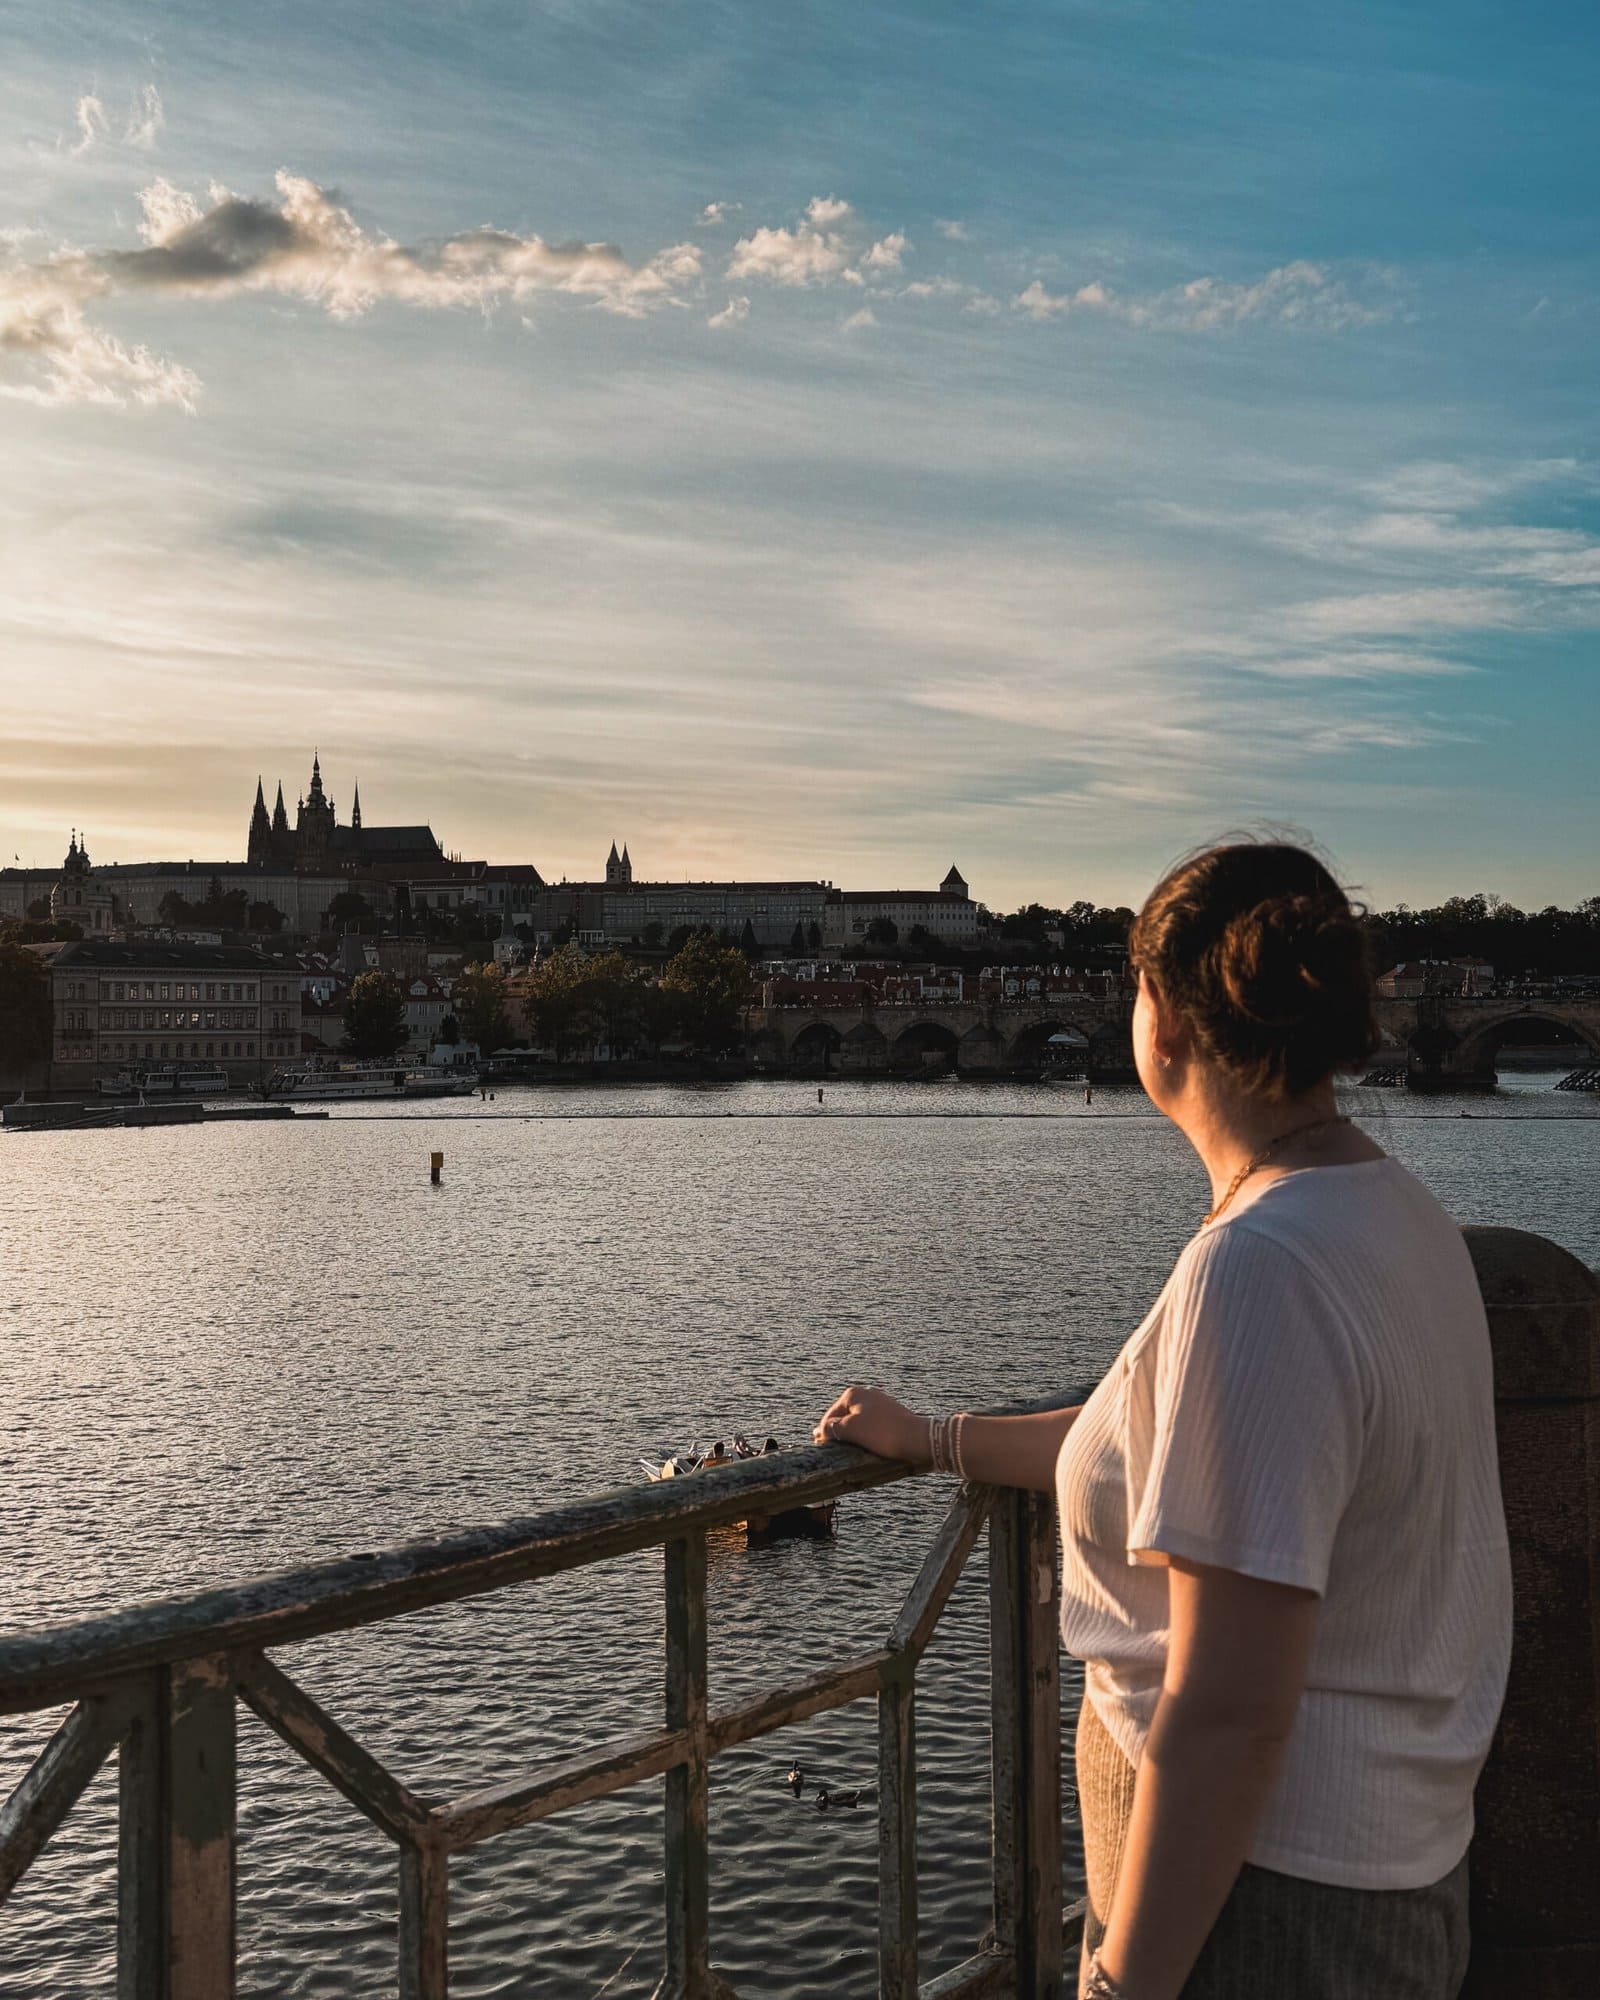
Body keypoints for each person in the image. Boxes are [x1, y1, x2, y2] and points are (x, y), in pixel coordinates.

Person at [814, 840, 1510, 2000]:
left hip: (1260, 1905)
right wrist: (936, 1435)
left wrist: (1124, 1982)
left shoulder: (1262, 1261)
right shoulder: (1395, 1216)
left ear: (1167, 1020)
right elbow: (1163, 1449)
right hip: (1376, 1876)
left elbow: (1230, 1704)